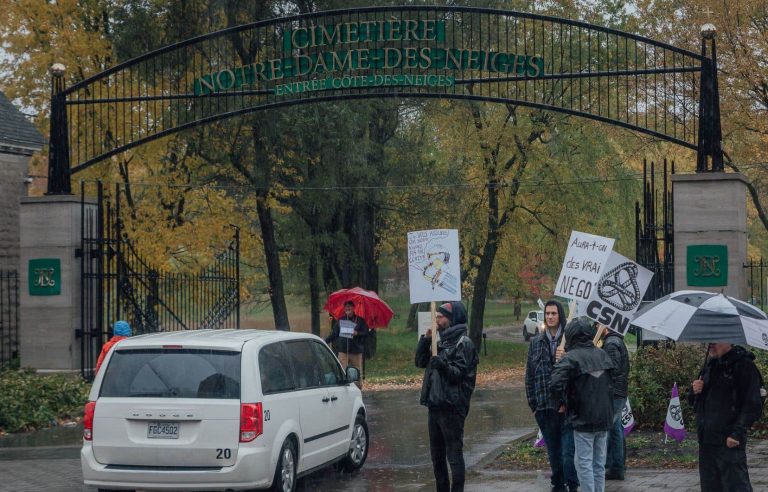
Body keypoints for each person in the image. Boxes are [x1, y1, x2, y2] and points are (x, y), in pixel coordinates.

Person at [415, 301, 478, 492]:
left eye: (441, 317)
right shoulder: (439, 340)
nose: (437, 320)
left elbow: (458, 374)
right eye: (437, 316)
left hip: (451, 407)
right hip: (434, 405)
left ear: (452, 319)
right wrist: (426, 340)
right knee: (437, 457)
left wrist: (440, 363)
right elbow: (420, 362)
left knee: (453, 455)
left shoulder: (464, 343)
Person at [550, 318, 615, 492]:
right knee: (598, 464)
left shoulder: (571, 358)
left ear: (570, 335)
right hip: (604, 416)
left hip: (583, 417)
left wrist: (561, 403)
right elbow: (613, 382)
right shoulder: (602, 354)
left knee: (584, 464)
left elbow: (555, 382)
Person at [690, 343, 763, 492]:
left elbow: (753, 404)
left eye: (714, 341)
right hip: (707, 441)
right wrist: (695, 391)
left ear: (727, 340)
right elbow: (695, 403)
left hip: (729, 441)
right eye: (708, 342)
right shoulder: (710, 365)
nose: (709, 345)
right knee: (711, 487)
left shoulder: (744, 366)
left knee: (735, 486)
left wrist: (737, 433)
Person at [525, 299, 579, 492]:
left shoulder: (570, 341)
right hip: (544, 407)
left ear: (560, 315)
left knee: (567, 452)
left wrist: (565, 358)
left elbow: (578, 373)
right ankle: (557, 484)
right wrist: (534, 405)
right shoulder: (536, 343)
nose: (549, 317)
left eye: (553, 313)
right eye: (547, 314)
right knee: (553, 453)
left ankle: (572, 484)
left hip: (566, 408)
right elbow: (529, 375)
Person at [601, 325, 630, 481]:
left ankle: (613, 466)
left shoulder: (611, 343)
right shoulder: (616, 340)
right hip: (618, 392)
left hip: (613, 393)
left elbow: (612, 369)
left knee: (609, 430)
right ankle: (617, 467)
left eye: (597, 324)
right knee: (616, 429)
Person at [325, 301, 369, 384]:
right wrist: (324, 341)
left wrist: (357, 333)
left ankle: (359, 387)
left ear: (353, 308)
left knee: (357, 370)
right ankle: (343, 386)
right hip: (343, 350)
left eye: (349, 307)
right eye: (346, 307)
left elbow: (366, 333)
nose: (348, 309)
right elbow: (335, 334)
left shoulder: (360, 320)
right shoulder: (341, 320)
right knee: (341, 370)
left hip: (356, 350)